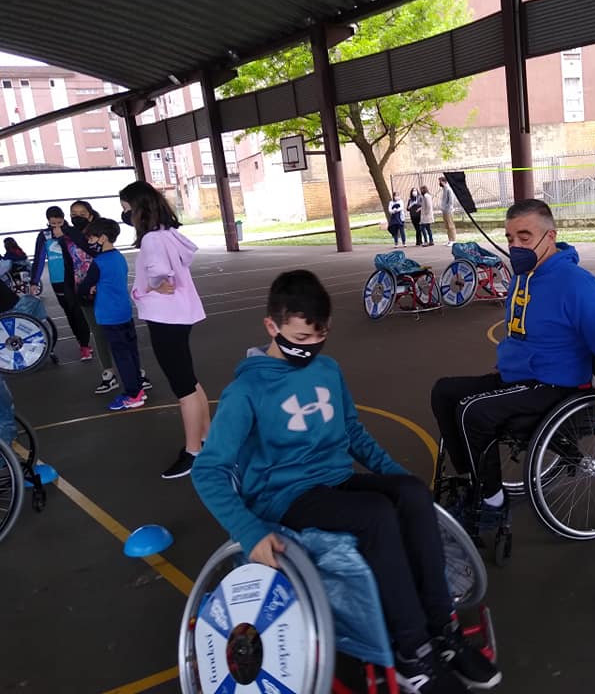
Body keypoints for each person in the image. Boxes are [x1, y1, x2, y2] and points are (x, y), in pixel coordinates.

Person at [191, 270, 501, 694]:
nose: (310, 348)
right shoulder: (246, 391)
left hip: (333, 479)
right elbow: (208, 470)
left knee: (411, 494)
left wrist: (397, 479)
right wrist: (249, 531)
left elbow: (353, 433)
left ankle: (441, 631)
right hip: (283, 496)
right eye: (299, 339)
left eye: (319, 337)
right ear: (272, 327)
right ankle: (412, 653)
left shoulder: (327, 369)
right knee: (375, 516)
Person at [431, 198, 595, 516]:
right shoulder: (523, 276)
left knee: (474, 412)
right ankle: (475, 477)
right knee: (445, 392)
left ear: (550, 237)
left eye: (525, 237)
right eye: (510, 238)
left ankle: (491, 503)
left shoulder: (577, 285)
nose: (515, 246)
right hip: (521, 378)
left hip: (555, 385)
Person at [122, 181, 209, 480]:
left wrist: (153, 284)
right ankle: (207, 439)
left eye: (127, 209)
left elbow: (161, 277)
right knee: (190, 380)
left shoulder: (151, 241)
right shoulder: (168, 233)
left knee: (182, 387)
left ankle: (193, 451)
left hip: (166, 319)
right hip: (180, 317)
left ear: (138, 209)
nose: (126, 215)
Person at [69, 199, 151, 396]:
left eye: (91, 238)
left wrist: (85, 290)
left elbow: (84, 287)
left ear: (103, 238)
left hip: (108, 315)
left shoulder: (99, 262)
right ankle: (138, 385)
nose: (88, 241)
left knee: (121, 355)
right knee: (130, 351)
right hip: (123, 312)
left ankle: (133, 393)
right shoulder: (119, 257)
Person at [29, 206, 92, 360]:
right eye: (53, 223)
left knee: (78, 312)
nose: (56, 226)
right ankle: (80, 340)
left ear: (64, 219)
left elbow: (84, 247)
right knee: (69, 313)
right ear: (48, 222)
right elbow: (38, 259)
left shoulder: (72, 232)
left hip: (74, 278)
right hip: (57, 279)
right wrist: (34, 282)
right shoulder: (44, 236)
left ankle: (85, 345)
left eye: (59, 222)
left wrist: (64, 235)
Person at [438, 176, 457, 246]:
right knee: (447, 226)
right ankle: (449, 240)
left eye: (440, 181)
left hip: (448, 210)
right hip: (444, 210)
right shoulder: (444, 189)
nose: (439, 183)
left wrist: (447, 208)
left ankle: (453, 240)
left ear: (443, 181)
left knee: (450, 225)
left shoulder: (449, 189)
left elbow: (451, 201)